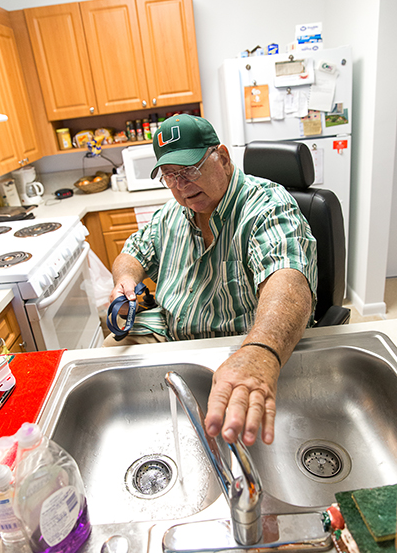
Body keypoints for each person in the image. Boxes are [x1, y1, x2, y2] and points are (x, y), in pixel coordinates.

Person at [104, 114, 317, 447]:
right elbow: (132, 252)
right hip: (171, 336)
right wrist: (125, 279)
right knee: (106, 378)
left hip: (239, 346)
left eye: (189, 170)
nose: (180, 185)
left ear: (223, 158)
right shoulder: (170, 215)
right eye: (169, 175)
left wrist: (260, 351)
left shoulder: (268, 206)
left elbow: (288, 283)